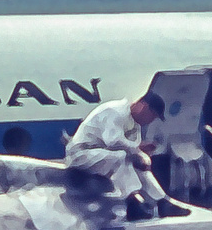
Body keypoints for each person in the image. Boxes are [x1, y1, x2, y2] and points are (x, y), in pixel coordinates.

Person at [65, 90, 189, 219]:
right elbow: (113, 140)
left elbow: (130, 148)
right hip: (81, 154)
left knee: (135, 163)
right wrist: (137, 150)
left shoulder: (135, 125)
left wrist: (140, 155)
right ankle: (132, 202)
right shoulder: (115, 111)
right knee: (121, 157)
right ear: (143, 106)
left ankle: (161, 201)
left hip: (102, 155)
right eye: (152, 116)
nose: (150, 121)